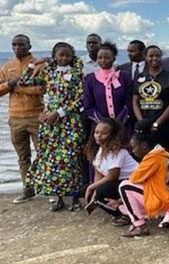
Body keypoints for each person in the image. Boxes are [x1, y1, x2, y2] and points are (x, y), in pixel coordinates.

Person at [21, 42, 84, 212]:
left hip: (70, 122)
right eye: (60, 55)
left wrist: (60, 113)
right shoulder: (48, 72)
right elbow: (24, 81)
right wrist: (37, 62)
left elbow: (80, 99)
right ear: (54, 56)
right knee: (51, 161)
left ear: (72, 56)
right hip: (50, 123)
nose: (64, 58)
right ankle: (58, 199)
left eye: (67, 55)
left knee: (71, 160)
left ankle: (76, 199)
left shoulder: (77, 73)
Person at [0, 34, 44, 203]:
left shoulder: (39, 65)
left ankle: (46, 188)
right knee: (23, 157)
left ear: (29, 46)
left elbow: (42, 89)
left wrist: (17, 87)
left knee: (43, 154)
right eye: (14, 45)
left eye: (21, 45)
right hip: (15, 118)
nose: (17, 48)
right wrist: (9, 85)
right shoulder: (7, 66)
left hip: (36, 116)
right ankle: (28, 189)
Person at [118, 119, 169, 237]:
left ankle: (140, 226)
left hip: (162, 202)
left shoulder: (153, 158)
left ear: (143, 145)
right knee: (123, 205)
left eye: (134, 148)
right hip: (166, 199)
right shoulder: (161, 153)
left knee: (124, 186)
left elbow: (134, 178)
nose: (133, 152)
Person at [83, 117, 138, 218]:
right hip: (118, 183)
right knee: (91, 190)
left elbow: (112, 176)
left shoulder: (117, 152)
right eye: (96, 132)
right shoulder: (99, 150)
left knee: (102, 190)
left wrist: (92, 187)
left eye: (104, 133)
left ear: (113, 135)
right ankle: (119, 209)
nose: (99, 136)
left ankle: (125, 213)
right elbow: (98, 173)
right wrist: (93, 189)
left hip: (133, 183)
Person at [132, 45, 169, 152]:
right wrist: (142, 122)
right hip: (144, 128)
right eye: (151, 56)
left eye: (157, 55)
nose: (154, 58)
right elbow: (135, 101)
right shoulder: (140, 77)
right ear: (145, 57)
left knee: (164, 155)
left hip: (164, 126)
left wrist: (157, 123)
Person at [83, 41, 133, 132]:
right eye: (100, 58)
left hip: (124, 126)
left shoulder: (125, 76)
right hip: (100, 129)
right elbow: (88, 105)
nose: (103, 60)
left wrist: (118, 122)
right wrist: (104, 124)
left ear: (113, 58)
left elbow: (129, 102)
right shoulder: (90, 79)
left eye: (107, 58)